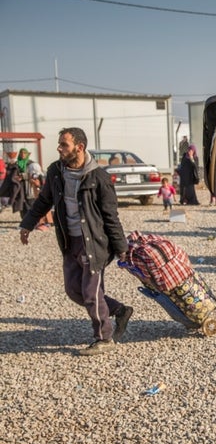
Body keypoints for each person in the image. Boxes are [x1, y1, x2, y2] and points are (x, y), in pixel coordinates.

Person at [19, 127, 134, 356]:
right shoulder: (55, 171)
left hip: (93, 243)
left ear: (79, 147)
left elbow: (111, 215)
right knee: (73, 290)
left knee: (91, 293)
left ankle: (104, 337)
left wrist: (121, 247)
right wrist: (27, 224)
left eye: (64, 144)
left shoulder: (99, 177)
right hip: (69, 241)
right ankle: (119, 310)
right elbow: (44, 200)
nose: (59, 148)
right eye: (60, 144)